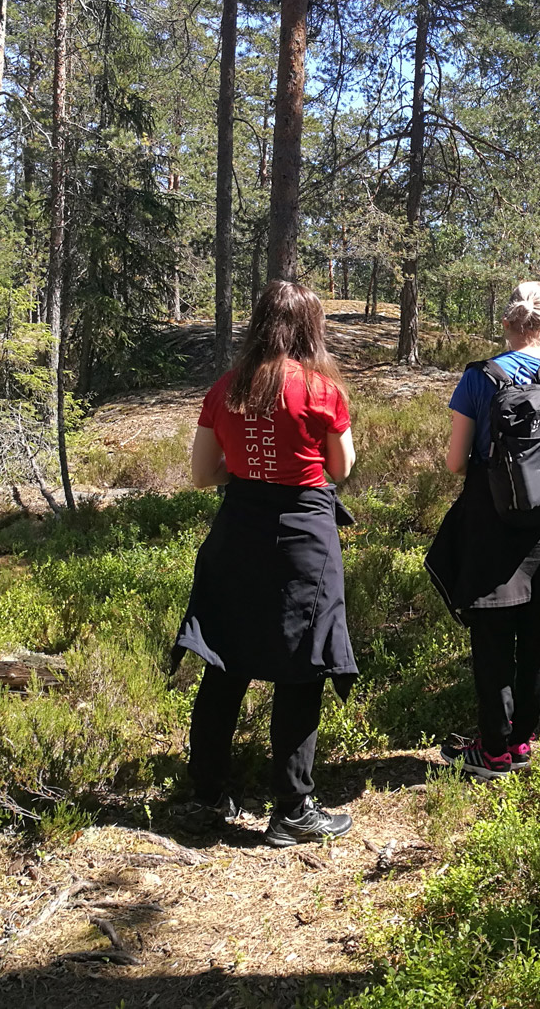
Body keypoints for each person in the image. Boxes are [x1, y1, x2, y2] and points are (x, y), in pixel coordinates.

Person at [172, 280, 358, 846]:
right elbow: (341, 469)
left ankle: (207, 794)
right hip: (304, 534)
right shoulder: (322, 390)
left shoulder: (226, 388)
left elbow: (204, 475)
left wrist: (248, 475)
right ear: (310, 329)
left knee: (224, 660)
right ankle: (291, 808)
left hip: (238, 529)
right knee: (302, 667)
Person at [426, 282, 540, 779]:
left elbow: (457, 462)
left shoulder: (478, 379)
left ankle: (493, 751)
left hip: (489, 521)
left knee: (492, 637)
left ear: (506, 325)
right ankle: (522, 743)